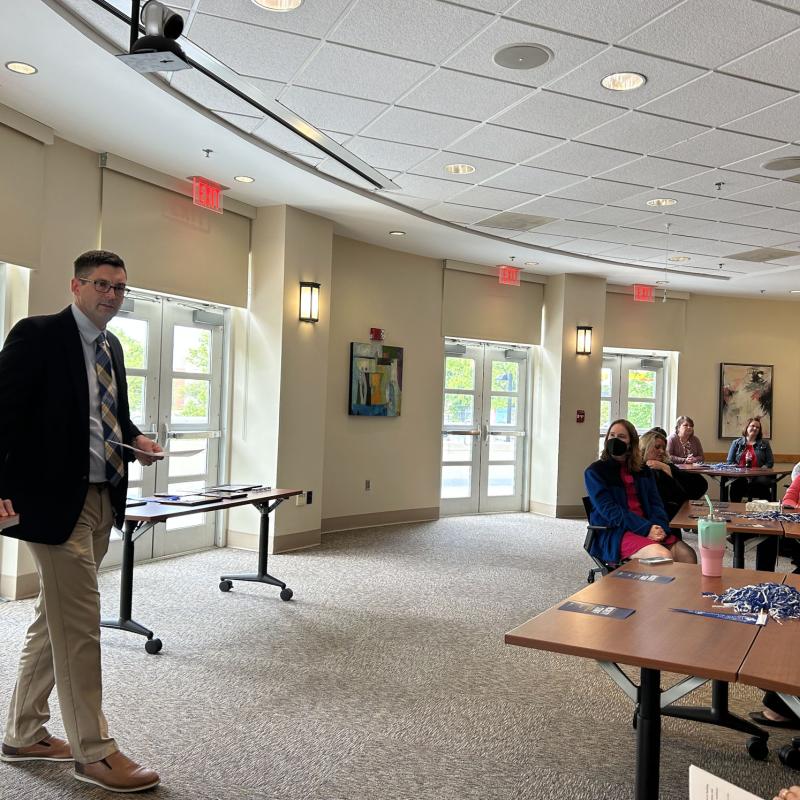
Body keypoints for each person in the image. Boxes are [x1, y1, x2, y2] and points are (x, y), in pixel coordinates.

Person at [0, 251, 163, 793]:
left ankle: (24, 732)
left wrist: (136, 440)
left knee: (55, 620)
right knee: (80, 627)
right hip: (49, 503)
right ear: (75, 285)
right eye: (101, 285)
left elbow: (109, 413)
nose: (111, 295)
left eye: (119, 287)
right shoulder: (37, 335)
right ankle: (94, 752)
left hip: (100, 498)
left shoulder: (111, 345)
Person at [584, 419, 697, 565]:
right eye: (611, 435)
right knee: (663, 556)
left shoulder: (643, 471)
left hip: (649, 526)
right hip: (617, 532)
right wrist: (646, 529)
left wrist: (658, 527)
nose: (615, 440)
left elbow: (656, 503)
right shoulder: (595, 472)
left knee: (687, 555)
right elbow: (610, 511)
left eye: (621, 436)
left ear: (631, 442)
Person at [639, 429, 688, 521]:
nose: (661, 451)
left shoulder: (666, 465)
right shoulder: (637, 468)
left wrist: (666, 469)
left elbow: (682, 496)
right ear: (644, 448)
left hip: (668, 515)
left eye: (663, 448)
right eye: (657, 447)